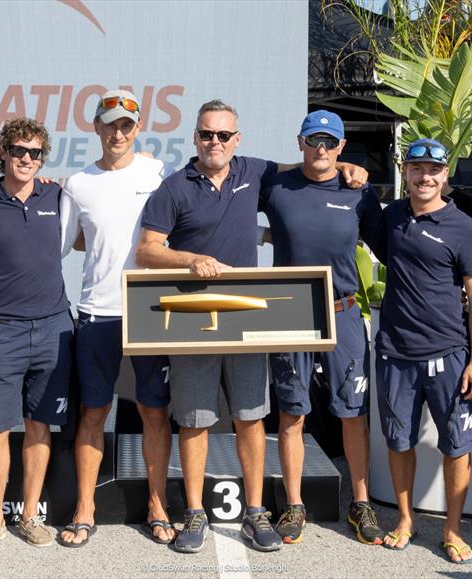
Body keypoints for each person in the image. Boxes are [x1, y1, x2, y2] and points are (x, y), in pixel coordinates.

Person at [135, 100, 367, 553]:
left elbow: (309, 165)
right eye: (207, 135)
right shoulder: (175, 187)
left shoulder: (255, 171)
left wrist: (351, 167)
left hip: (247, 318)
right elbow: (147, 250)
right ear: (195, 138)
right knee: (196, 422)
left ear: (237, 139)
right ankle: (195, 514)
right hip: (193, 319)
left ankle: (257, 512)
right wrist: (190, 260)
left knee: (250, 418)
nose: (215, 143)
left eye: (224, 135)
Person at [258, 110, 384, 545]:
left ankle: (361, 501)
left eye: (330, 143)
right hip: (290, 309)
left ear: (342, 147)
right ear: (300, 143)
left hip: (345, 310)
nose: (322, 150)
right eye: (314, 141)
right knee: (293, 411)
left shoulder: (359, 194)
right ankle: (294, 505)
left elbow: (391, 246)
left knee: (353, 412)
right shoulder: (275, 187)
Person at [58, 90, 173, 546]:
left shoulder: (157, 172)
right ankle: (84, 508)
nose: (118, 133)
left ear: (137, 128)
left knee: (154, 412)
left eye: (127, 125)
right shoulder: (77, 183)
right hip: (96, 313)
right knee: (93, 413)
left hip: (149, 308)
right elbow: (64, 243)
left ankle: (158, 506)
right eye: (110, 124)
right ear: (96, 126)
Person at [0, 118, 73, 552]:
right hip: (0, 330)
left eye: (35, 153)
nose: (27, 159)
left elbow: (97, 232)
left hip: (53, 327)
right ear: (3, 152)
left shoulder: (57, 195)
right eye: (19, 151)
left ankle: (28, 516)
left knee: (39, 425)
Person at [373, 138, 472, 563]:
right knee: (399, 441)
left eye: (433, 170)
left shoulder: (464, 227)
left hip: (448, 354)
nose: (425, 177)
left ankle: (452, 529)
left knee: (456, 445)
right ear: (404, 172)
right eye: (417, 168)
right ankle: (405, 519)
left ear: (446, 176)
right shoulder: (391, 218)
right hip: (395, 355)